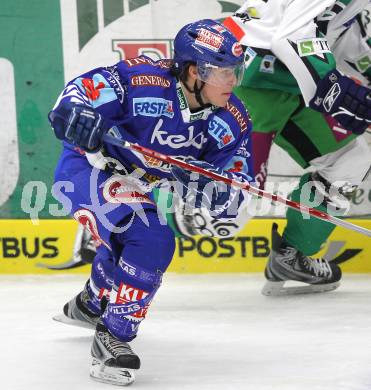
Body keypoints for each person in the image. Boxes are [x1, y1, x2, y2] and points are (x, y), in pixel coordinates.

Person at [48, 19, 254, 386]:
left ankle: (92, 303)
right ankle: (114, 336)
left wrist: (211, 185)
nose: (232, 82)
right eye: (223, 73)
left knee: (133, 242)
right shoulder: (142, 80)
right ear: (195, 71)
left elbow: (235, 186)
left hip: (134, 185)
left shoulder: (232, 120)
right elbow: (75, 97)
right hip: (87, 168)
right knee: (151, 239)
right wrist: (77, 116)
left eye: (235, 72)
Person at [223, 0, 371, 295]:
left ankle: (292, 254)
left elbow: (343, 39)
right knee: (226, 210)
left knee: (349, 160)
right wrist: (335, 89)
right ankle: (110, 227)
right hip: (250, 80)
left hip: (296, 86)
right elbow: (289, 36)